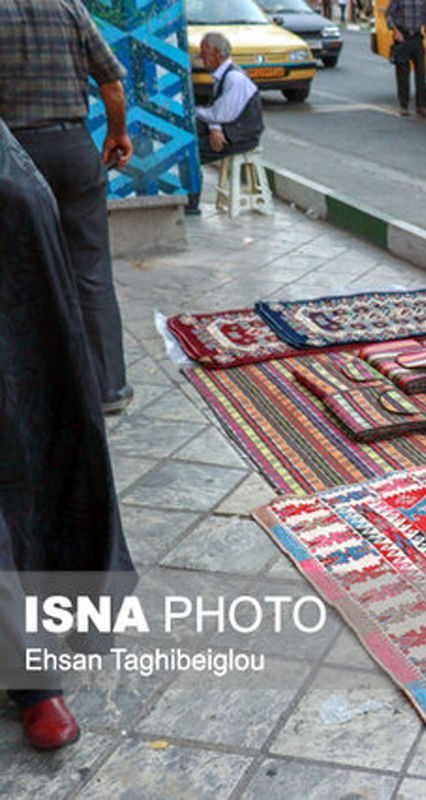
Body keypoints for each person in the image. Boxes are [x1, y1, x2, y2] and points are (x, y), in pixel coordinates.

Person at [0, 119, 135, 752]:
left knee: (34, 444)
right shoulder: (73, 12)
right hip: (66, 156)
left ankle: (34, 675)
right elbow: (112, 87)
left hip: (25, 204)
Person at [0, 0, 134, 415]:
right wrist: (117, 133)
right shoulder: (68, 6)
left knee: (16, 273)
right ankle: (108, 387)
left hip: (12, 157)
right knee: (90, 269)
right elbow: (111, 83)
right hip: (73, 150)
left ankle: (31, 391)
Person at [185, 31, 265, 214]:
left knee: (191, 153)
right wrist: (214, 126)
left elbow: (220, 113)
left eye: (204, 53)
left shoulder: (233, 78)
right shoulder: (224, 75)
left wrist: (198, 114)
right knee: (190, 135)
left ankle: (191, 204)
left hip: (241, 136)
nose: (202, 59)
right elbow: (219, 112)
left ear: (215, 53)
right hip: (231, 128)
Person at [385, 0, 426, 118]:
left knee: (421, 73)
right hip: (403, 37)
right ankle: (403, 106)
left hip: (417, 38)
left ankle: (422, 106)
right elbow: (388, 14)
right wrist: (396, 31)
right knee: (403, 73)